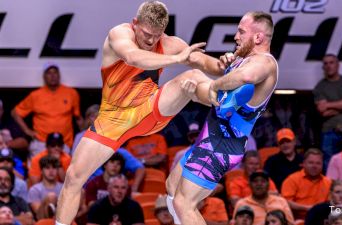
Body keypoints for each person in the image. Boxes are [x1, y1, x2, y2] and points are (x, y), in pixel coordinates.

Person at [55, 1, 223, 224]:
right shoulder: (119, 34)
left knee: (193, 77)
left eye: (157, 35)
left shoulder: (170, 44)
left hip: (148, 111)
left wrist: (225, 66)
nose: (152, 40)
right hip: (112, 120)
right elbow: (134, 57)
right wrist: (176, 59)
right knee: (73, 177)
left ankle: (222, 100)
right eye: (146, 34)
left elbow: (201, 60)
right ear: (135, 24)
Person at [167, 11, 279, 225]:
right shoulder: (244, 61)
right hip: (210, 138)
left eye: (241, 32)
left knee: (184, 203)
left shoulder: (266, 63)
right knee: (172, 187)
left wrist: (215, 84)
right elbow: (221, 102)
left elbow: (245, 77)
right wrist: (227, 65)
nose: (236, 37)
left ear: (258, 38)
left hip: (222, 145)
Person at [11, 63, 82, 156]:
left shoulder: (71, 93)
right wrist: (27, 130)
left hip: (63, 143)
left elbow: (78, 118)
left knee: (65, 169)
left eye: (55, 72)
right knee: (37, 168)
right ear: (44, 76)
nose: (52, 76)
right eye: (49, 73)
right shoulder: (36, 95)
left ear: (59, 75)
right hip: (41, 143)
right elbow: (15, 112)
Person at [313, 54, 342, 168]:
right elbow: (323, 111)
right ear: (323, 67)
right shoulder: (319, 87)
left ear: (338, 64)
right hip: (329, 132)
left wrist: (329, 105)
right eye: (325, 63)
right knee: (329, 166)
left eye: (331, 62)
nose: (328, 66)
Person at [281, 148, 331, 220]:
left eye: (318, 163)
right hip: (297, 220)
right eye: (311, 163)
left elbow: (331, 204)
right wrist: (308, 208)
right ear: (303, 163)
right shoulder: (292, 180)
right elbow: (285, 202)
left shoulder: (328, 182)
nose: (314, 166)